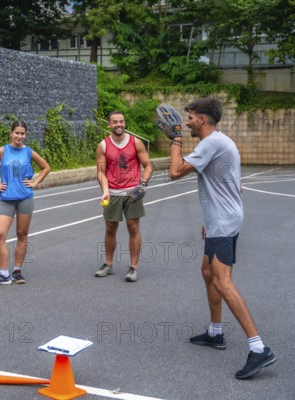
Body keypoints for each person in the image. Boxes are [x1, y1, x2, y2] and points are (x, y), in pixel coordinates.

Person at [168, 97, 276, 379]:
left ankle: (259, 348)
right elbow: (232, 185)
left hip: (224, 222)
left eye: (190, 117)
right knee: (207, 271)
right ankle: (216, 333)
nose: (187, 121)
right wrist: (212, 219)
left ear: (202, 119)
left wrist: (175, 140)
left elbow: (174, 172)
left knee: (223, 281)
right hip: (223, 219)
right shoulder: (222, 141)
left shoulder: (210, 144)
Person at [0, 120, 50, 285]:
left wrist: (34, 182)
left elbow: (46, 167)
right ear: (11, 133)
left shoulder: (29, 152)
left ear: (26, 134)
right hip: (7, 199)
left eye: (22, 133)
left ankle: (17, 271)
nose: (19, 136)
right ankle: (4, 274)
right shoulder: (2, 151)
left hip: (25, 198)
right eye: (16, 133)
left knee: (22, 235)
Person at [94, 111, 152, 282]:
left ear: (124, 123)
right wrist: (105, 190)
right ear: (109, 125)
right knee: (110, 228)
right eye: (115, 122)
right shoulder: (103, 146)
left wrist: (143, 183)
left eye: (121, 122)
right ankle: (108, 264)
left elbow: (148, 165)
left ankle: (133, 267)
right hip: (112, 192)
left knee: (133, 227)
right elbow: (101, 172)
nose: (119, 125)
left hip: (133, 192)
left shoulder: (136, 142)